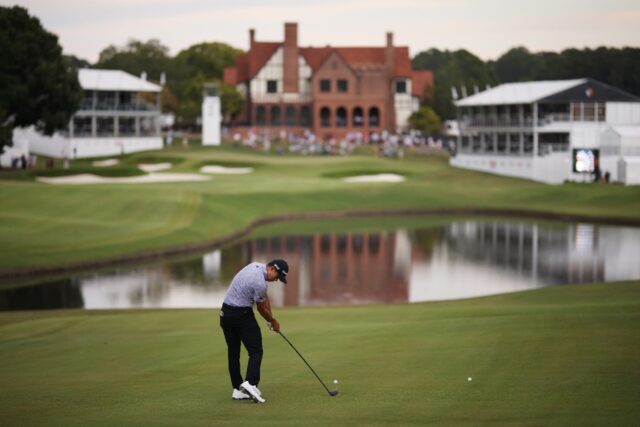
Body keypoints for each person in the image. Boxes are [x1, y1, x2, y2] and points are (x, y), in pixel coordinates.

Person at [219, 259, 289, 403]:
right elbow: (261, 308)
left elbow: (264, 297)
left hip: (225, 314)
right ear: (272, 269)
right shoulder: (260, 283)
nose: (276, 280)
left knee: (233, 352)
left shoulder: (255, 266)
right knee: (256, 350)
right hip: (241, 315)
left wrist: (270, 317)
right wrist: (272, 321)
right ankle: (250, 383)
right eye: (277, 277)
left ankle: (237, 390)